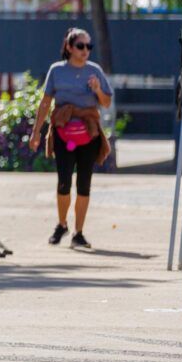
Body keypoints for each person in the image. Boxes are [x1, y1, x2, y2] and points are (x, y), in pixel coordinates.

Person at [29, 28, 113, 249]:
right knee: (64, 181)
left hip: (89, 133)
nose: (85, 51)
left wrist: (97, 89)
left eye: (89, 47)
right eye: (80, 46)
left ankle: (79, 232)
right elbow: (46, 102)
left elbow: (106, 103)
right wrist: (36, 131)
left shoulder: (95, 71)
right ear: (69, 47)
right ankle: (62, 224)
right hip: (63, 132)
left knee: (84, 183)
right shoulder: (56, 71)